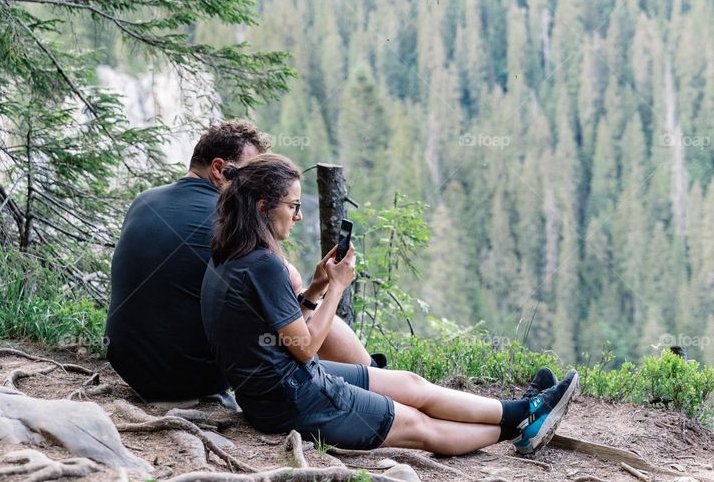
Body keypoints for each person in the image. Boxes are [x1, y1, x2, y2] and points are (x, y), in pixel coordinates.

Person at [200, 153, 579, 454]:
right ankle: (520, 424)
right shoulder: (263, 264)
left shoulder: (230, 253)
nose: (298, 216)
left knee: (410, 384)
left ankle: (520, 409)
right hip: (293, 397)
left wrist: (315, 289)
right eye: (293, 206)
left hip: (280, 387)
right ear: (264, 206)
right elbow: (303, 348)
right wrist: (337, 288)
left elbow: (283, 335)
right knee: (418, 424)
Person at [105, 119, 378, 402]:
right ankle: (377, 384)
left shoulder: (145, 200)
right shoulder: (230, 221)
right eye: (247, 175)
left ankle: (372, 385)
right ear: (219, 169)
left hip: (130, 366)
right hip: (191, 376)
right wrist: (326, 288)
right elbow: (290, 281)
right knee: (318, 320)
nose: (256, 186)